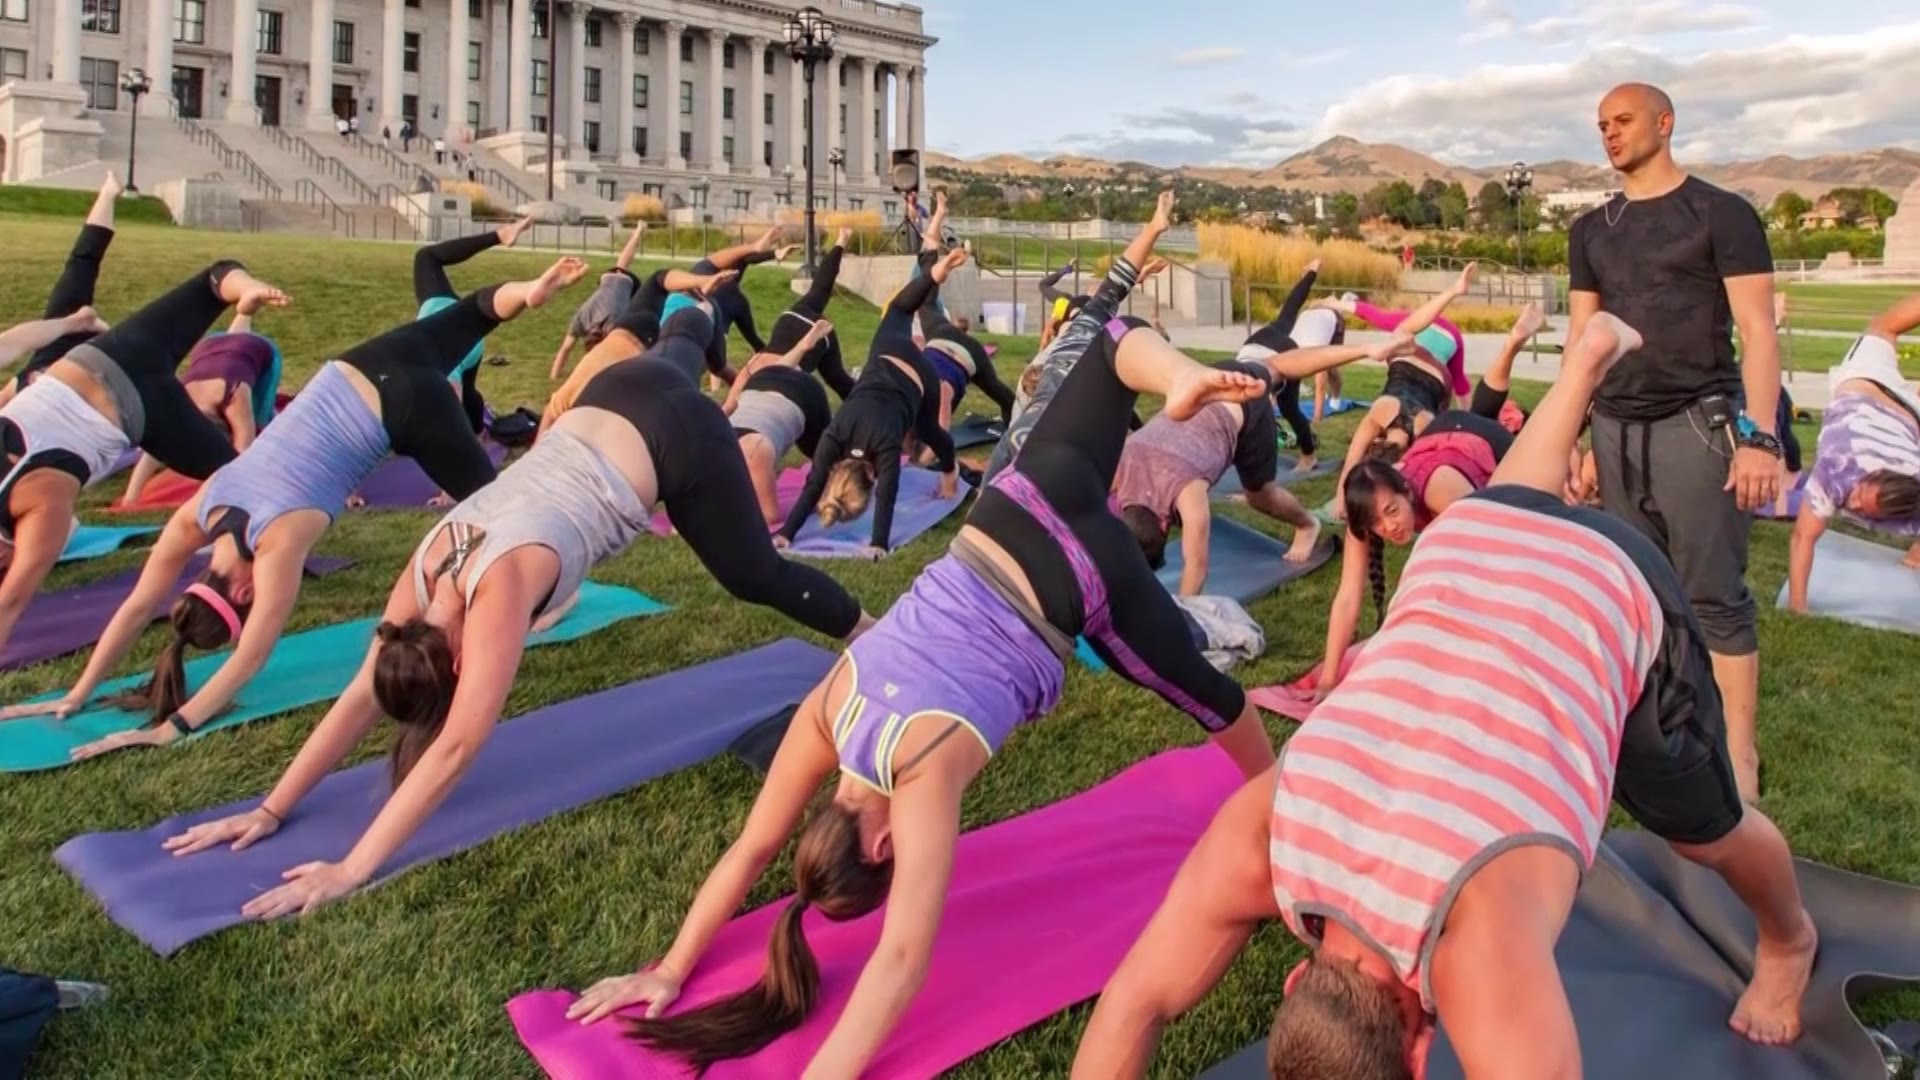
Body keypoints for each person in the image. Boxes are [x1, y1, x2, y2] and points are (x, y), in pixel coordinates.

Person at [560, 197, 1281, 1078]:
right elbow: (750, 850)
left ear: (882, 849)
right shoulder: (830, 704)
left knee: (1214, 701)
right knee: (1104, 336)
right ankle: (1168, 374)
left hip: (1081, 585)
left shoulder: (923, 772)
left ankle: (1279, 804)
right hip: (1016, 506)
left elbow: (903, 964)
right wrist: (665, 966)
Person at [1070, 313, 1819, 1080]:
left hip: (1600, 583)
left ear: (1424, 1054)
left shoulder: (1476, 953)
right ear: (1296, 980)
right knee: (1514, 505)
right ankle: (1580, 370)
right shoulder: (1266, 833)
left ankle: (1790, 941)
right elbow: (1133, 1004)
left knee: (1704, 831)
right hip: (1467, 538)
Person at [161, 304, 877, 914]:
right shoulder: (421, 574)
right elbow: (358, 699)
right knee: (675, 355)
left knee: (755, 574)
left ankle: (864, 629)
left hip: (677, 438)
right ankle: (697, 314)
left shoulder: (496, 591)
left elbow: (455, 748)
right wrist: (270, 807)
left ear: (460, 663)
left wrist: (351, 868)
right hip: (614, 391)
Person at [2, 261, 591, 755]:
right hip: (354, 369)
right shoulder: (200, 510)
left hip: (407, 411)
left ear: (240, 595)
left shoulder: (278, 547)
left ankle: (560, 589)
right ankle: (531, 293)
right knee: (477, 310)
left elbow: (249, 656)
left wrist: (169, 728)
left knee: (501, 510)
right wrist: (75, 693)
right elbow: (137, 606)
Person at [1568, 82, 1782, 803]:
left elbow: (1758, 333)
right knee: (1635, 593)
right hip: (1614, 426)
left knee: (1712, 595)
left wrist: (1760, 437)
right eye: (1601, 125)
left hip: (1698, 422)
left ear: (1665, 122)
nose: (1610, 133)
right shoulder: (1590, 229)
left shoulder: (1721, 213)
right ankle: (1660, 736)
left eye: (1622, 120)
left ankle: (1738, 757)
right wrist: (1575, 433)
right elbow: (1583, 338)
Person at [0, 261, 288, 659]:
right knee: (214, 279)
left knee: (242, 481)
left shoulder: (39, 509)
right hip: (102, 357)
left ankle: (244, 559)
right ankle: (245, 297)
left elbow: (11, 601)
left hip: (142, 412)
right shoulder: (35, 503)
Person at [1113, 330, 1418, 592]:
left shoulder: (1188, 492)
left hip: (1245, 410)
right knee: (1273, 367)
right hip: (1207, 386)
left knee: (1259, 495)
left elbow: (1196, 566)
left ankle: (1307, 523)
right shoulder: (1116, 465)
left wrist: (1181, 619)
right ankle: (1367, 348)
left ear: (1166, 523)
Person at [774, 250, 966, 559]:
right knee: (901, 310)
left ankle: (949, 469)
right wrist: (785, 533)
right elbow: (814, 485)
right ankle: (933, 274)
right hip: (887, 351)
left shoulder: (886, 447)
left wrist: (878, 542)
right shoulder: (833, 436)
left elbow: (888, 496)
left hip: (919, 375)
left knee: (927, 428)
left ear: (872, 478)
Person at [1786, 294, 1920, 612]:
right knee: (1883, 327)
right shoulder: (1837, 470)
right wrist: (1797, 607)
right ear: (1873, 474)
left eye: (1863, 506)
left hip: (1906, 415)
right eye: (1861, 493)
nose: (1852, 501)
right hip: (1867, 383)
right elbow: (1802, 538)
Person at [117, 297, 286, 506]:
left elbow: (244, 453)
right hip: (214, 348)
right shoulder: (178, 408)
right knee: (235, 350)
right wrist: (130, 500)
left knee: (262, 420)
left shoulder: (234, 399)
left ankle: (245, 314)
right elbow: (152, 454)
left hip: (255, 348)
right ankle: (244, 314)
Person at [1325, 264, 1478, 488]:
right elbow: (1353, 457)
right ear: (1378, 441)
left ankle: (1454, 291)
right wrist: (1341, 492)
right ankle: (1453, 291)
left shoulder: (1423, 430)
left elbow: (1457, 392)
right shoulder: (1381, 413)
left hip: (1439, 370)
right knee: (1398, 330)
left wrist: (1468, 422)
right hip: (1414, 347)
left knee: (1446, 391)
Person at [539, 265, 738, 433]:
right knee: (717, 364)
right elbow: (550, 412)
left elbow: (551, 412)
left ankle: (745, 388)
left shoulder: (580, 402)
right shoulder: (581, 402)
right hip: (640, 338)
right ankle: (746, 388)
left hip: (644, 340)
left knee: (717, 364)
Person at [410, 217, 538, 453]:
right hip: (442, 313)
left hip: (457, 332)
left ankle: (477, 433)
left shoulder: (438, 387)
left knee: (466, 395)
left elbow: (451, 428)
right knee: (426, 257)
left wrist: (445, 490)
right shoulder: (405, 376)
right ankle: (502, 237)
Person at [0, 173, 123, 410]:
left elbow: (12, 343)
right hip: (93, 373)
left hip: (58, 355)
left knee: (81, 264)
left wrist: (72, 323)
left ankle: (107, 194)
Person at [910, 193, 1018, 429]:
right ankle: (1013, 441)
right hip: (953, 341)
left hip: (960, 350)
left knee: (926, 289)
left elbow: (942, 432)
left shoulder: (933, 394)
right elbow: (927, 272)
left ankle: (1014, 437)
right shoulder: (929, 391)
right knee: (1005, 397)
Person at [723, 320, 839, 526]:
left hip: (805, 394)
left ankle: (853, 469)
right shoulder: (703, 451)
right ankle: (802, 347)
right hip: (760, 381)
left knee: (826, 462)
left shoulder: (752, 453)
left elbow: (770, 516)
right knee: (773, 380)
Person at [762, 228, 855, 399]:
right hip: (790, 318)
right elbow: (730, 404)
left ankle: (872, 408)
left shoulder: (780, 391)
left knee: (838, 380)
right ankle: (841, 240)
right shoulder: (748, 379)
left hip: (814, 331)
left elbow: (730, 405)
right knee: (819, 289)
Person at [549, 221, 649, 380]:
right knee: (622, 264)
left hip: (624, 283)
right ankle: (638, 231)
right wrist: (553, 377)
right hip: (607, 280)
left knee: (623, 265)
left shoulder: (613, 326)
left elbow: (565, 349)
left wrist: (553, 376)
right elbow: (565, 350)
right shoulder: (581, 319)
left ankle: (639, 231)